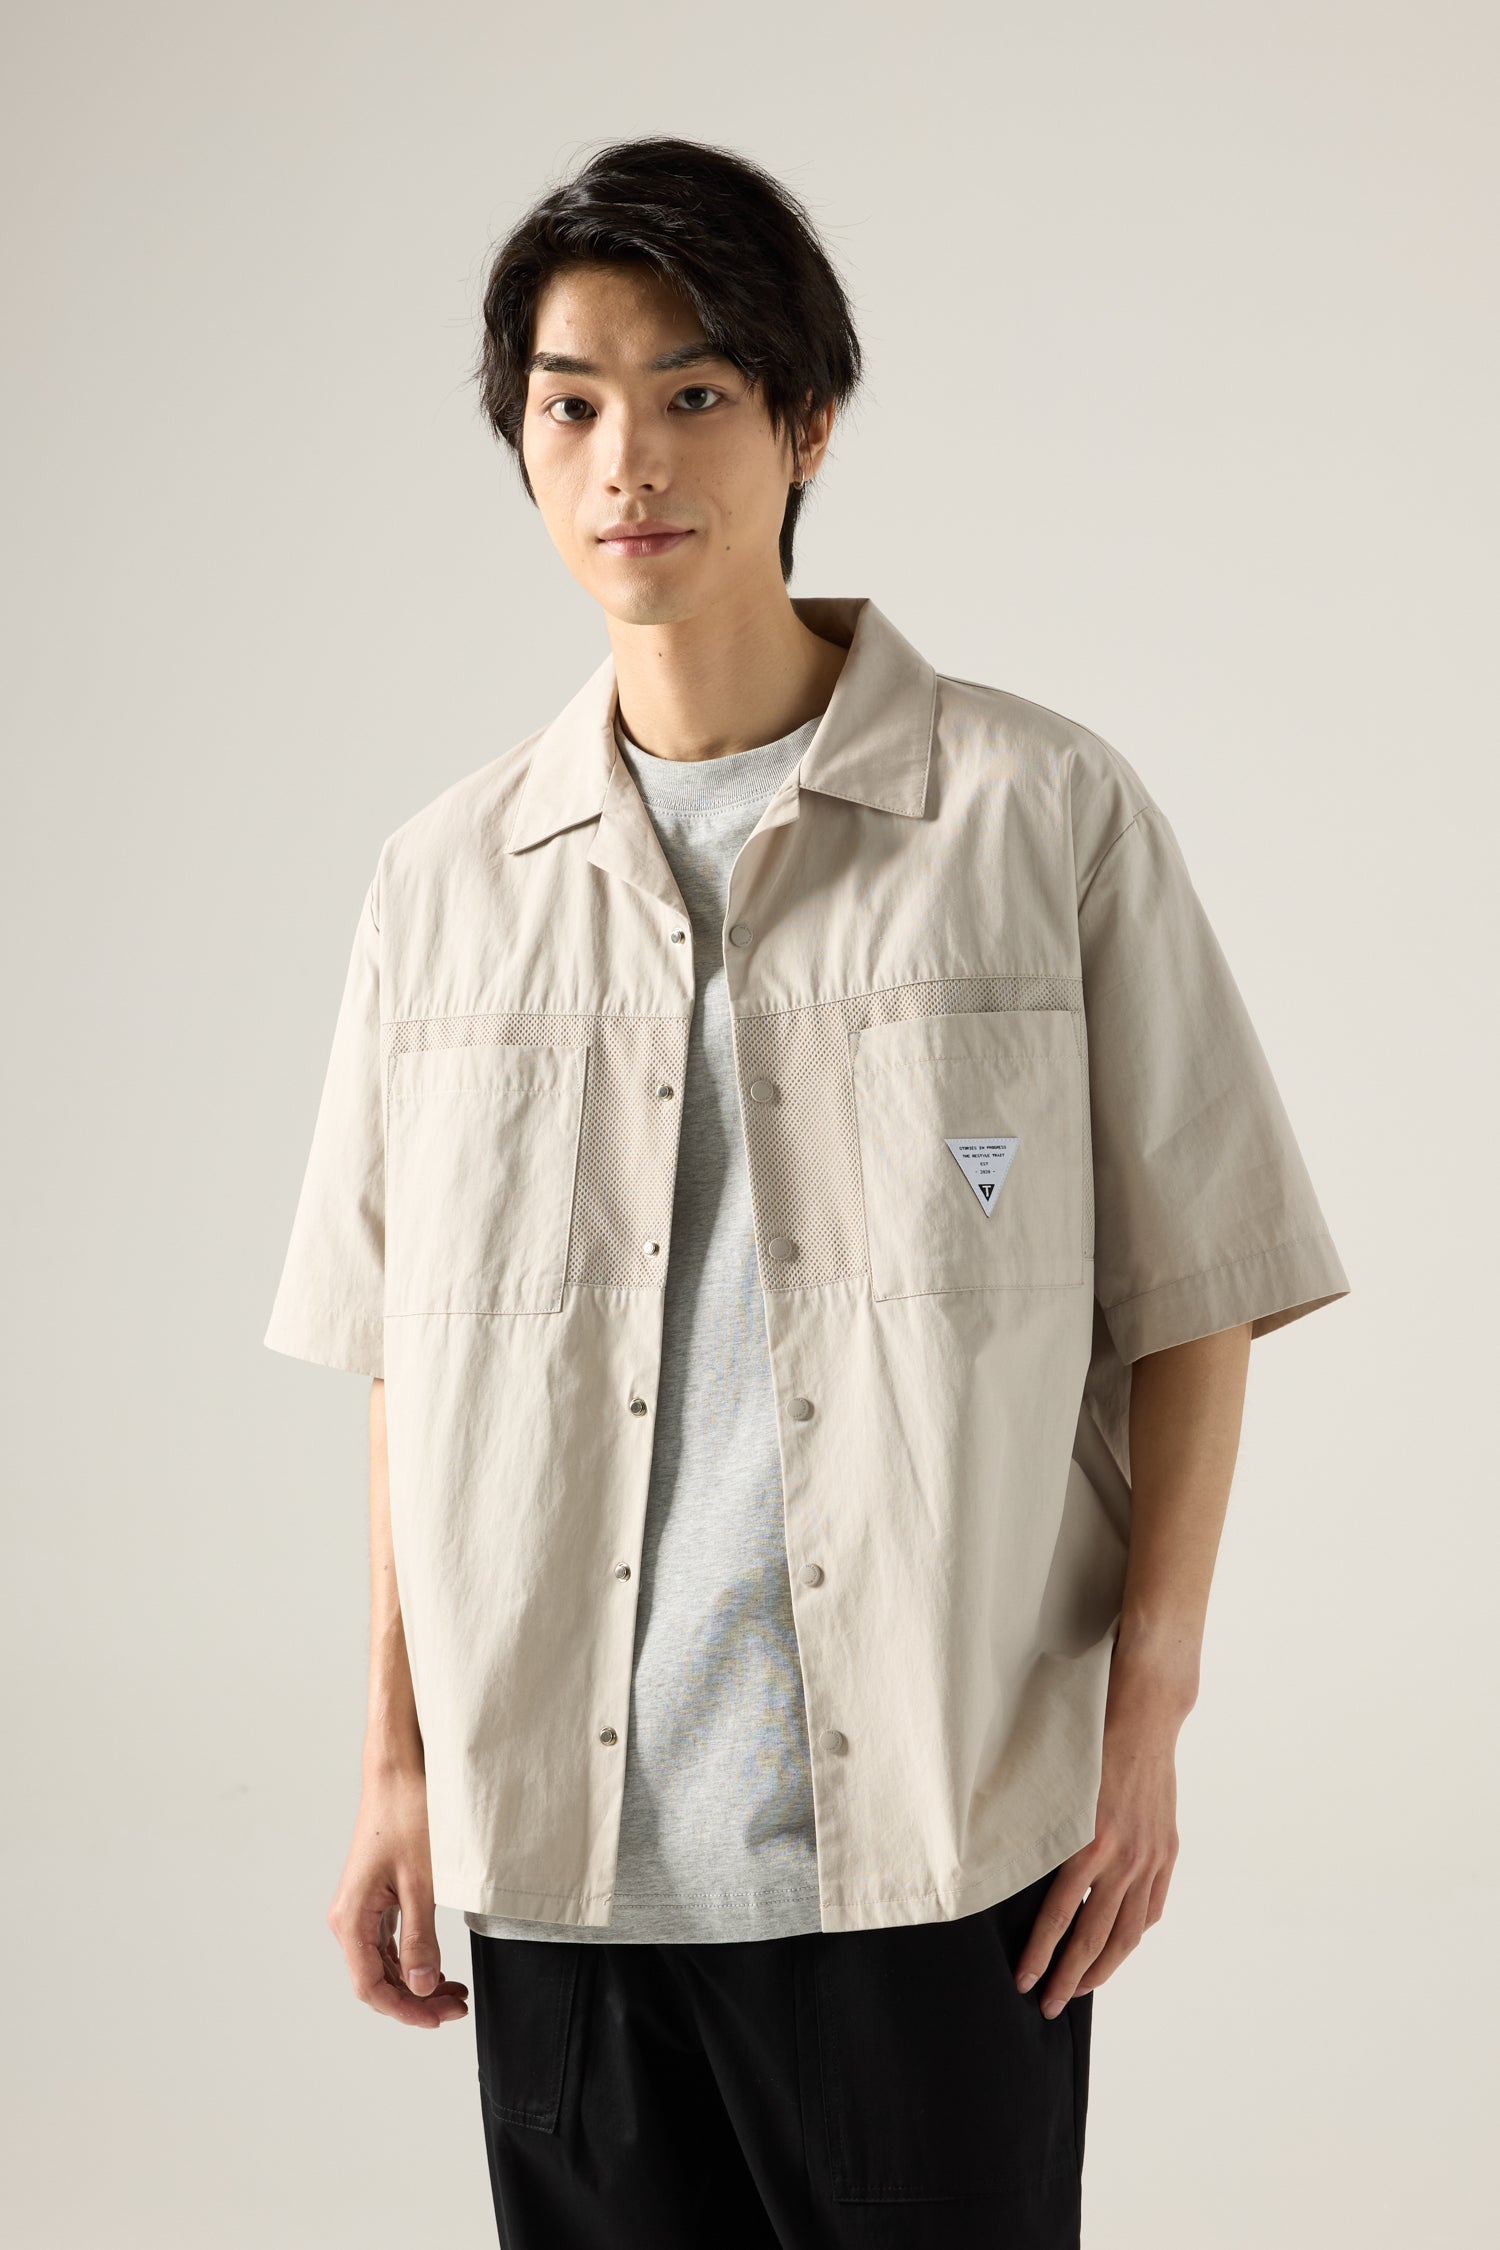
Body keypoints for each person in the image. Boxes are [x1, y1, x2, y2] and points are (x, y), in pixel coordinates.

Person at [264, 134, 1350, 2249]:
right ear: (522, 443)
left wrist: (1148, 1717)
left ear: (807, 424)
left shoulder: (1036, 817)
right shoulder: (443, 888)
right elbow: (415, 1366)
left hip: (940, 1855)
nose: (628, 460)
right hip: (566, 1871)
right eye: (571, 403)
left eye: (694, 392)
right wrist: (396, 1768)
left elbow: (1199, 1281)